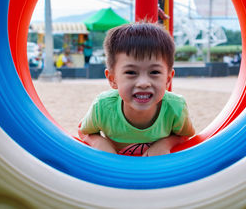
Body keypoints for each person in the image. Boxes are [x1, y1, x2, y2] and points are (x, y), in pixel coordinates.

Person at [78, 22, 195, 156]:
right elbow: (84, 130)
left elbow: (186, 135)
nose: (143, 83)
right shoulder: (103, 107)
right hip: (118, 172)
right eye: (131, 72)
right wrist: (98, 142)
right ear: (112, 79)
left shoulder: (176, 108)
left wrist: (166, 143)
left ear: (168, 79)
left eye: (154, 72)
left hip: (155, 171)